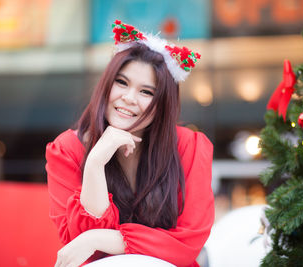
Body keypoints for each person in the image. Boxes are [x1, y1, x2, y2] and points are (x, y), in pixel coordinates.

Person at [45, 20, 214, 267]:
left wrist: (100, 237)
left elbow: (188, 244)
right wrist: (95, 163)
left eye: (146, 92)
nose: (129, 98)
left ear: (162, 105)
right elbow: (83, 251)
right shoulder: (67, 150)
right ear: (106, 84)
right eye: (121, 82)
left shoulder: (189, 146)